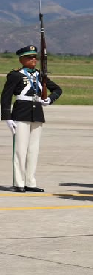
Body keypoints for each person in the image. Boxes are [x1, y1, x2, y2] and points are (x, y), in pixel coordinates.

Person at [1, 45, 62, 192]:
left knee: (33, 150)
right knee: (20, 150)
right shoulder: (15, 75)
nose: (33, 59)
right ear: (22, 59)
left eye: (35, 57)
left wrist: (49, 99)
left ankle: (30, 182)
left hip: (37, 114)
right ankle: (19, 182)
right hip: (21, 113)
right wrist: (7, 117)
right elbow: (6, 96)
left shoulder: (40, 75)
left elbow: (58, 89)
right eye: (29, 57)